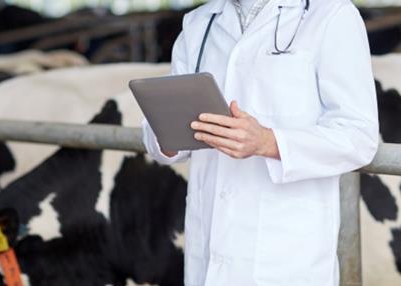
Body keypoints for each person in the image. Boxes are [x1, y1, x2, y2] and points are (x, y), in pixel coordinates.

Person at [142, 0, 379, 285]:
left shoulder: (331, 16)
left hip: (285, 255)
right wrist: (166, 139)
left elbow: (359, 136)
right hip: (208, 249)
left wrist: (269, 142)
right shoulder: (199, 23)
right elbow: (162, 135)